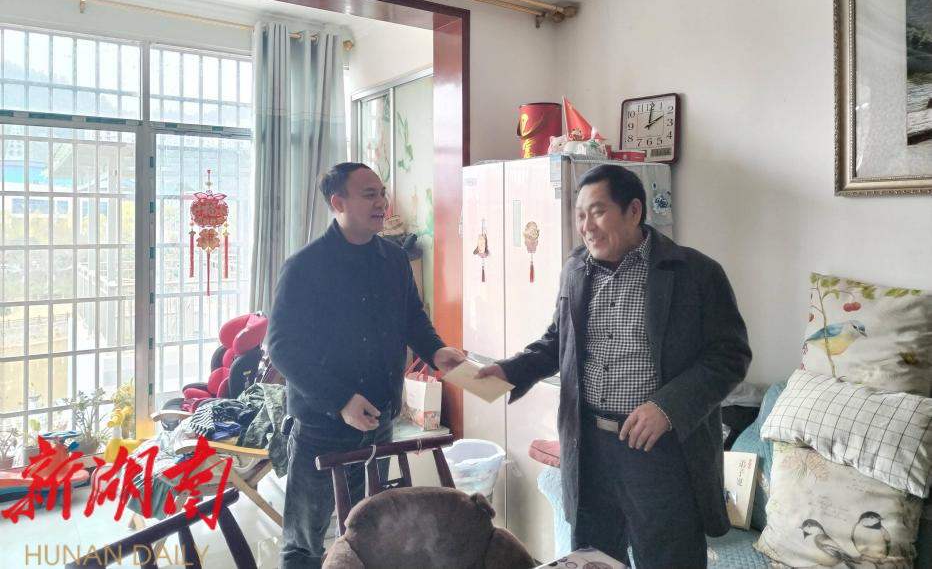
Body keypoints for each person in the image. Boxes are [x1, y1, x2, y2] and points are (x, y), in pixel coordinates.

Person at [478, 163, 751, 569]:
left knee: (669, 558)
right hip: (588, 446)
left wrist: (667, 407)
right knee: (594, 557)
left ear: (634, 211)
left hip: (659, 450)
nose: (586, 227)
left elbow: (730, 355)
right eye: (580, 215)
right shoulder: (575, 270)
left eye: (598, 211)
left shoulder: (696, 273)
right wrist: (508, 372)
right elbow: (558, 342)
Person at [267, 162, 465, 569]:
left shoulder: (393, 259)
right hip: (320, 428)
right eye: (369, 194)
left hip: (378, 420)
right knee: (304, 543)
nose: (382, 202)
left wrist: (436, 351)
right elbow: (282, 347)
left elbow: (412, 318)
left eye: (382, 193)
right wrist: (340, 400)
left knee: (367, 533)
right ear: (338, 203)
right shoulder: (305, 267)